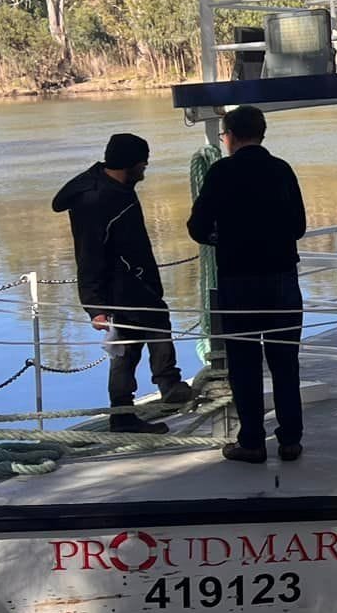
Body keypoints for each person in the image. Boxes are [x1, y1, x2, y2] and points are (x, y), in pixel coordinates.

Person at [51, 132, 193, 434]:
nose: (145, 169)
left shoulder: (115, 184)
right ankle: (134, 407)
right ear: (128, 164)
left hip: (137, 282)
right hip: (119, 288)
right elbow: (88, 254)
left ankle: (161, 388)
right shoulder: (97, 200)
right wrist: (95, 306)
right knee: (127, 349)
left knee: (150, 328)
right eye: (142, 164)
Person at [188, 106, 307, 464]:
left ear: (230, 136)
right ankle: (290, 440)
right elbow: (298, 226)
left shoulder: (221, 172)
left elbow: (197, 226)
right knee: (285, 362)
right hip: (281, 279)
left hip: (238, 281)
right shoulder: (282, 170)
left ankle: (252, 441)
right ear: (262, 133)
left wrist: (222, 238)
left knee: (244, 363)